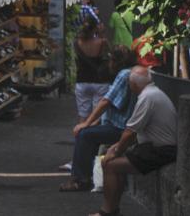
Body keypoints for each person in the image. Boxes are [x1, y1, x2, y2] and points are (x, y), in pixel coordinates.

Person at [92, 66, 178, 216]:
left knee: (110, 164)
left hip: (160, 151)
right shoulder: (153, 93)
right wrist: (117, 147)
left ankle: (107, 211)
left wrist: (117, 150)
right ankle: (112, 209)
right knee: (114, 162)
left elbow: (130, 131)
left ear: (134, 85)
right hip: (156, 147)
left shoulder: (147, 97)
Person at [59, 45, 138, 192]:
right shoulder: (128, 73)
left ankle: (80, 180)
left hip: (121, 127)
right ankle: (87, 175)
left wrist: (86, 123)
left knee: (84, 135)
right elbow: (111, 107)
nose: (108, 64)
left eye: (110, 60)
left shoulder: (124, 75)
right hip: (119, 124)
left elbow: (106, 101)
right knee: (89, 132)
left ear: (116, 61)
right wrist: (92, 123)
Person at [74, 18, 111, 123]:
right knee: (97, 116)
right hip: (100, 81)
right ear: (95, 28)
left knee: (83, 115)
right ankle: (95, 138)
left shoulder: (77, 43)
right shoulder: (101, 42)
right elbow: (110, 54)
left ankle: (81, 137)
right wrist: (101, 34)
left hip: (82, 80)